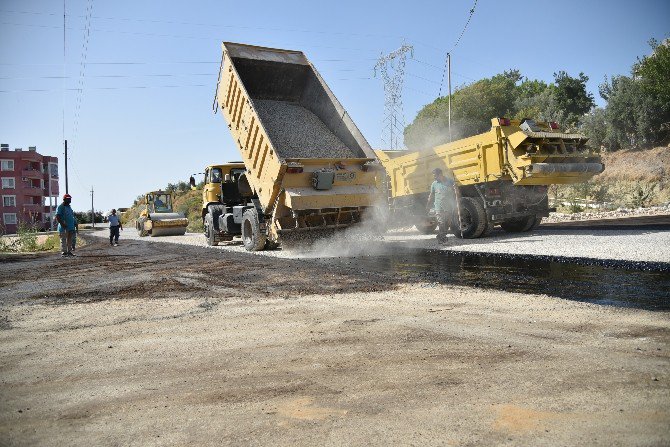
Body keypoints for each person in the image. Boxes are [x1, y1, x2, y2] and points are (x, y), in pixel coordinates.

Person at [426, 168, 454, 244]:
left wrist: (456, 190)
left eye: (435, 176)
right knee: (441, 222)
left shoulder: (450, 181)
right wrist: (428, 205)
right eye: (434, 176)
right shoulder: (434, 184)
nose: (434, 177)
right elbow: (431, 195)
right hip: (438, 207)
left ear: (440, 174)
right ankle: (442, 239)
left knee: (448, 223)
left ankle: (440, 236)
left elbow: (455, 189)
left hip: (448, 206)